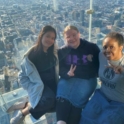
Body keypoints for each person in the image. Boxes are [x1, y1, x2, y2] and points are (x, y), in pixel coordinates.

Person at [10, 25, 59, 124]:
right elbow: (22, 76)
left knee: (58, 104)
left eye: (53, 38)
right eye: (48, 36)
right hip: (40, 87)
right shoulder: (31, 56)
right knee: (50, 99)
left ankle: (28, 104)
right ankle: (23, 113)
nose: (50, 40)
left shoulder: (54, 53)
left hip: (53, 84)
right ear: (41, 36)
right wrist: (32, 88)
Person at [56, 25, 100, 124]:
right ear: (64, 39)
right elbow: (59, 69)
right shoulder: (62, 51)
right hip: (69, 78)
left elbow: (100, 64)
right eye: (68, 37)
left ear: (79, 34)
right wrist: (66, 73)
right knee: (62, 94)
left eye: (74, 35)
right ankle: (61, 122)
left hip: (87, 80)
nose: (71, 38)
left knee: (76, 100)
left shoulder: (92, 47)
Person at [79, 32, 124, 124]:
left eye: (111, 47)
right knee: (85, 117)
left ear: (121, 47)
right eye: (105, 47)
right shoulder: (101, 56)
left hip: (119, 103)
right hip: (101, 96)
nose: (107, 50)